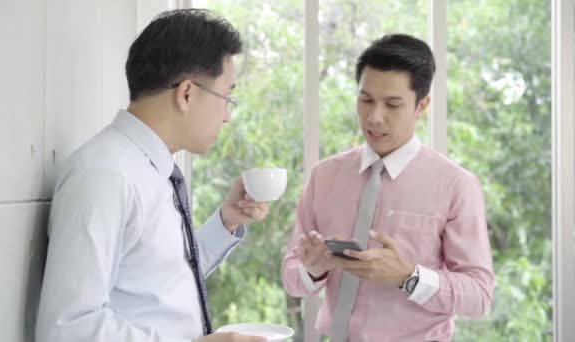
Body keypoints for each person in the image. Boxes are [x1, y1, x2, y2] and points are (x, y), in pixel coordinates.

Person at [36, 9, 269, 342]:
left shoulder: (152, 169)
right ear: (186, 93)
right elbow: (68, 327)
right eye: (226, 97)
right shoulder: (105, 175)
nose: (227, 116)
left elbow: (162, 282)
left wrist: (226, 221)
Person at [281, 34, 494, 342]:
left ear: (422, 105)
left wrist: (408, 276)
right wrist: (312, 269)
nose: (374, 117)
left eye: (392, 104)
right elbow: (292, 279)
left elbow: (478, 295)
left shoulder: (456, 185)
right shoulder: (324, 176)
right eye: (365, 99)